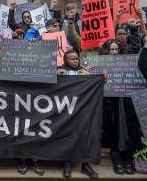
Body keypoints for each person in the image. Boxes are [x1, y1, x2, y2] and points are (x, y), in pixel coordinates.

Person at [100, 39, 143, 175]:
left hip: (127, 103)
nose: (114, 52)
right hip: (111, 104)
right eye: (111, 50)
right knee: (114, 129)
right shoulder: (101, 64)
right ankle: (117, 158)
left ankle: (128, 159)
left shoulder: (128, 63)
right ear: (107, 51)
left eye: (116, 50)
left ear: (120, 50)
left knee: (130, 130)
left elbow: (136, 47)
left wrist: (134, 30)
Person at [57, 50, 102, 179]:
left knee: (85, 135)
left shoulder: (84, 71)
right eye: (72, 59)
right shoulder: (59, 70)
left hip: (83, 110)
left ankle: (86, 165)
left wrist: (99, 78)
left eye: (77, 59)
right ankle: (67, 163)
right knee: (67, 136)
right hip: (65, 110)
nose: (76, 61)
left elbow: (96, 86)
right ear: (66, 60)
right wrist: (55, 75)